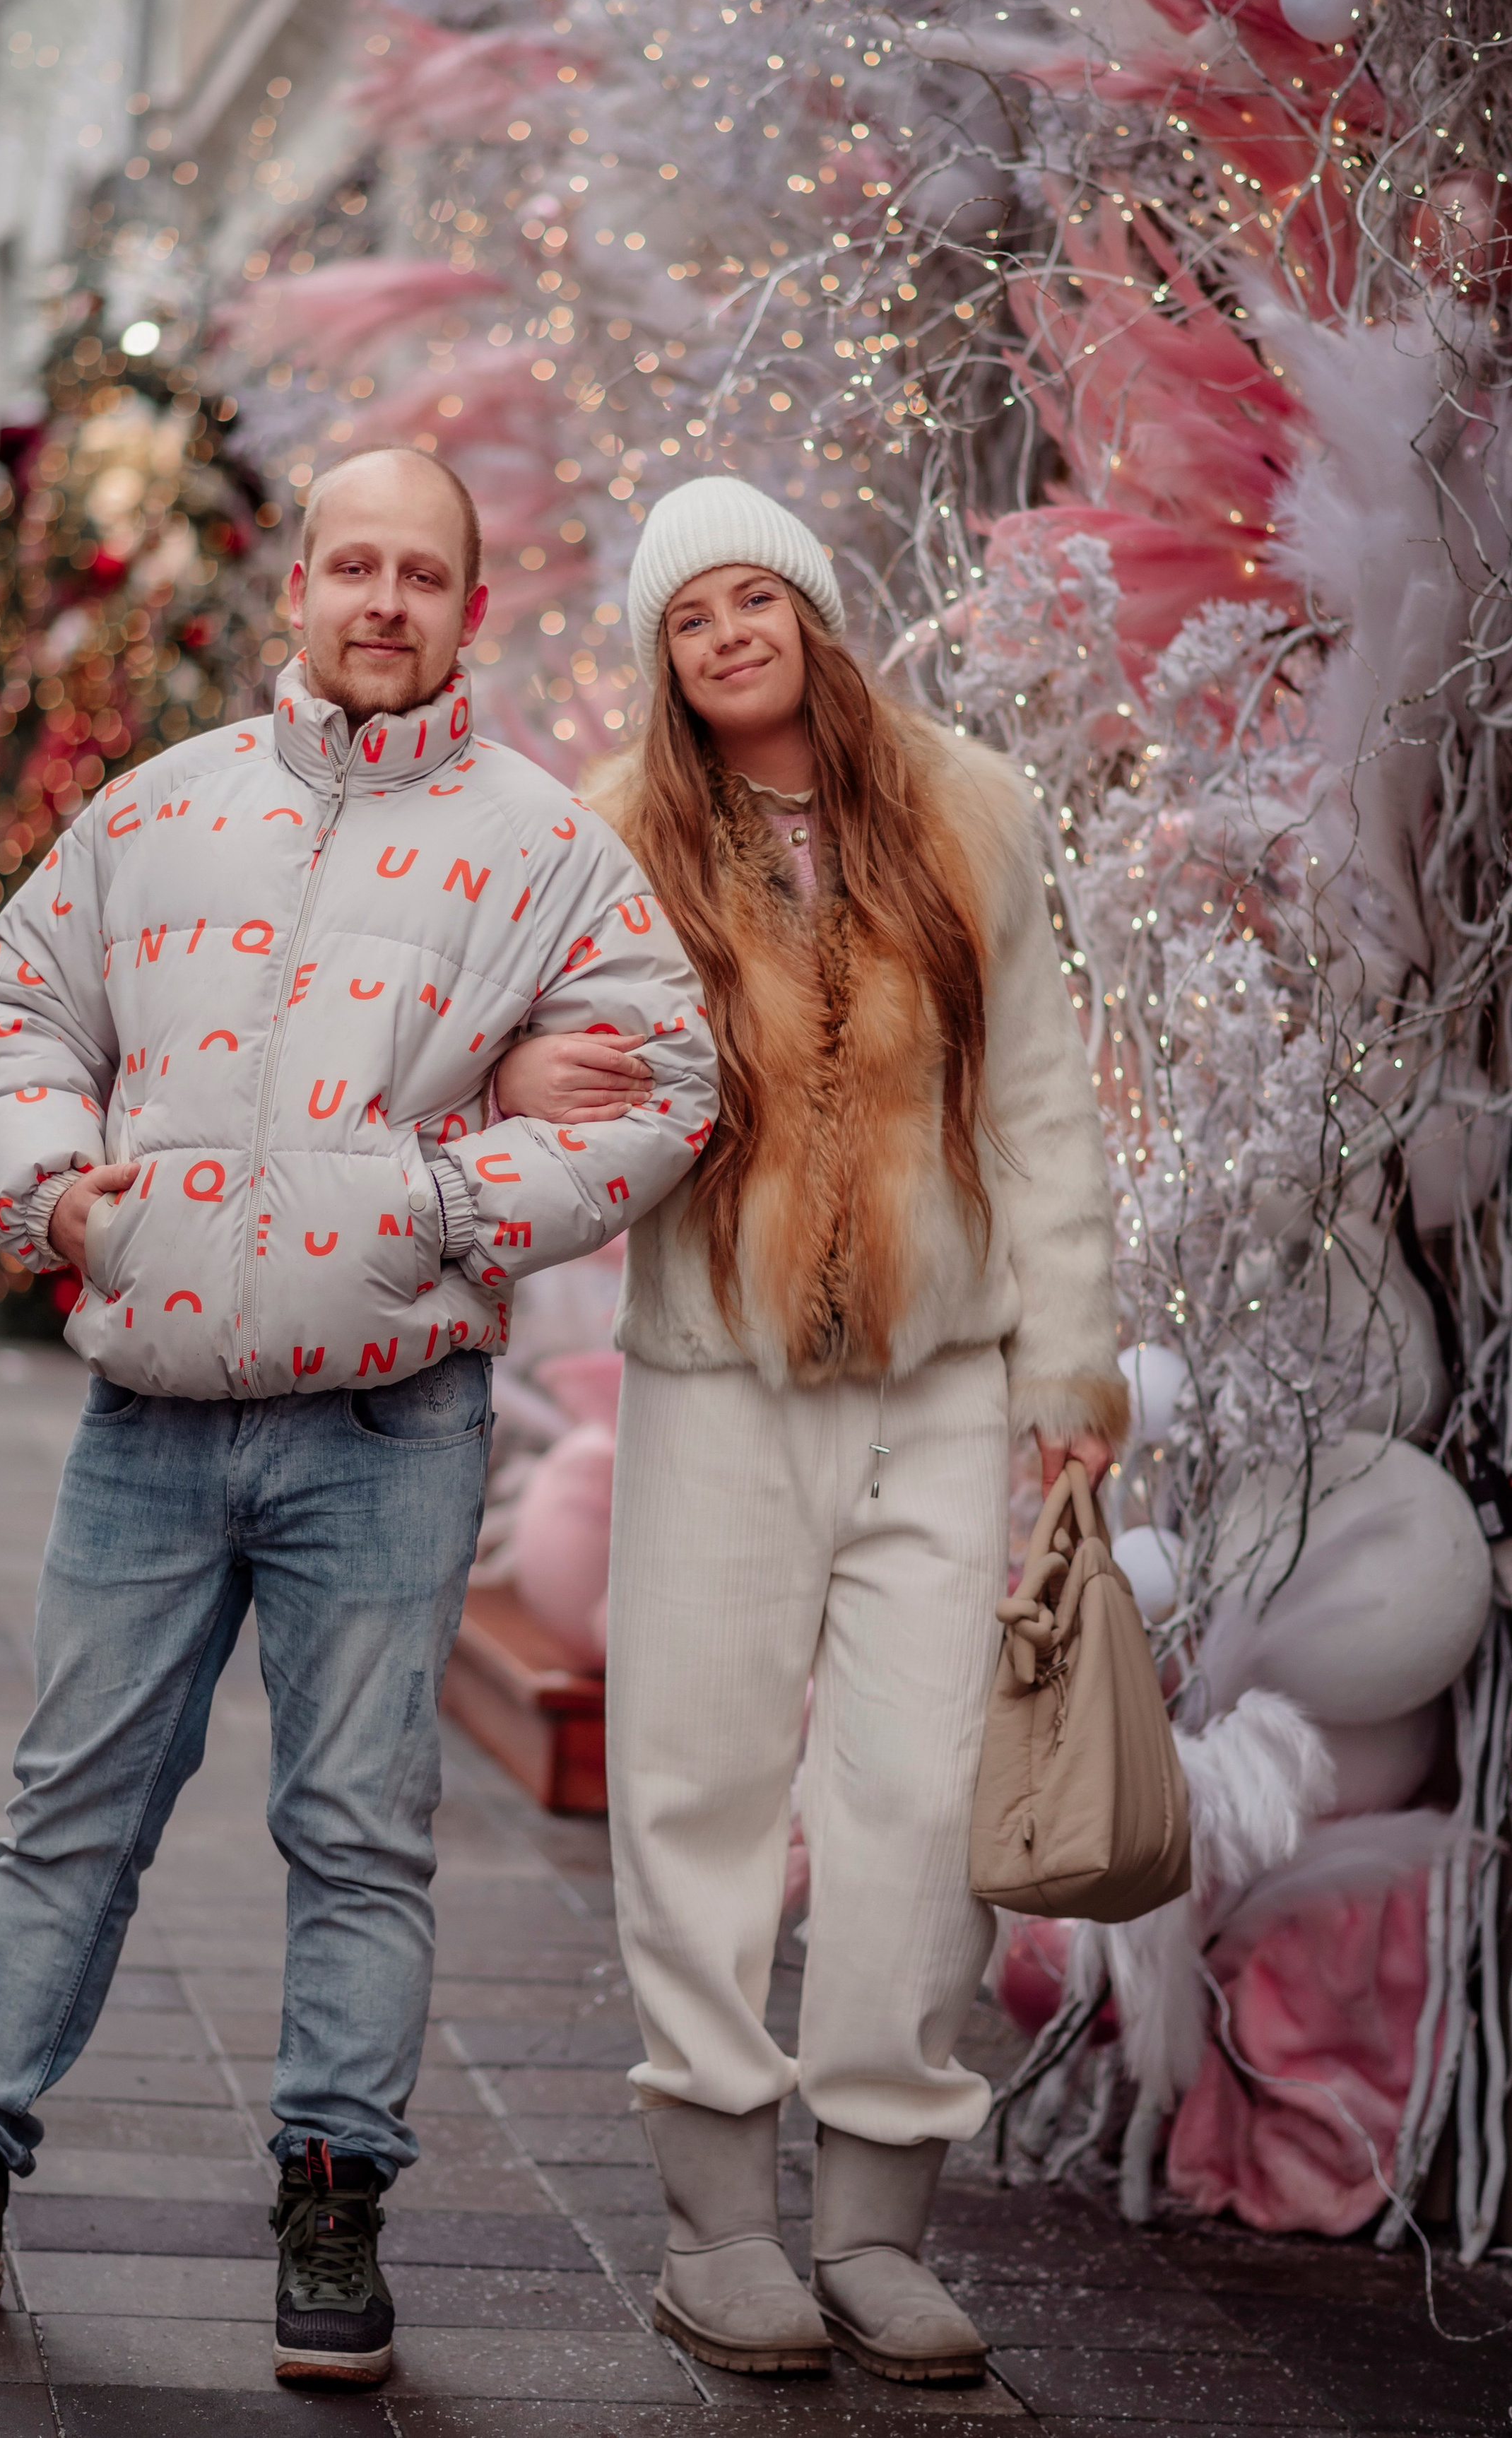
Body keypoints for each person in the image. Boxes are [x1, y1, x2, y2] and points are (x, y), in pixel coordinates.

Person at [0, 447, 717, 2389]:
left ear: (470, 610)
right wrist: (54, 1192)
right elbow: (18, 1007)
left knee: (358, 1830)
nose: (383, 600)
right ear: (295, 588)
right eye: (351, 565)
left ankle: (334, 2198)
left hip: (390, 1429)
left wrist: (442, 1201)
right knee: (68, 1809)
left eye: (422, 575)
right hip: (152, 1420)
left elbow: (668, 1088)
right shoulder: (159, 808)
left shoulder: (547, 846)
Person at [495, 476, 1126, 2387]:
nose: (728, 635)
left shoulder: (972, 810)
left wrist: (1070, 1375)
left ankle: (874, 2229)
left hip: (940, 1382)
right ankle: (718, 2223)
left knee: (917, 1800)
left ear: (813, 615)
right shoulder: (616, 834)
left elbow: (1040, 1104)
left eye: (754, 599)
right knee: (692, 1783)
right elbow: (539, 1055)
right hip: (720, 1374)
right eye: (690, 617)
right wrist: (533, 1075)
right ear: (663, 658)